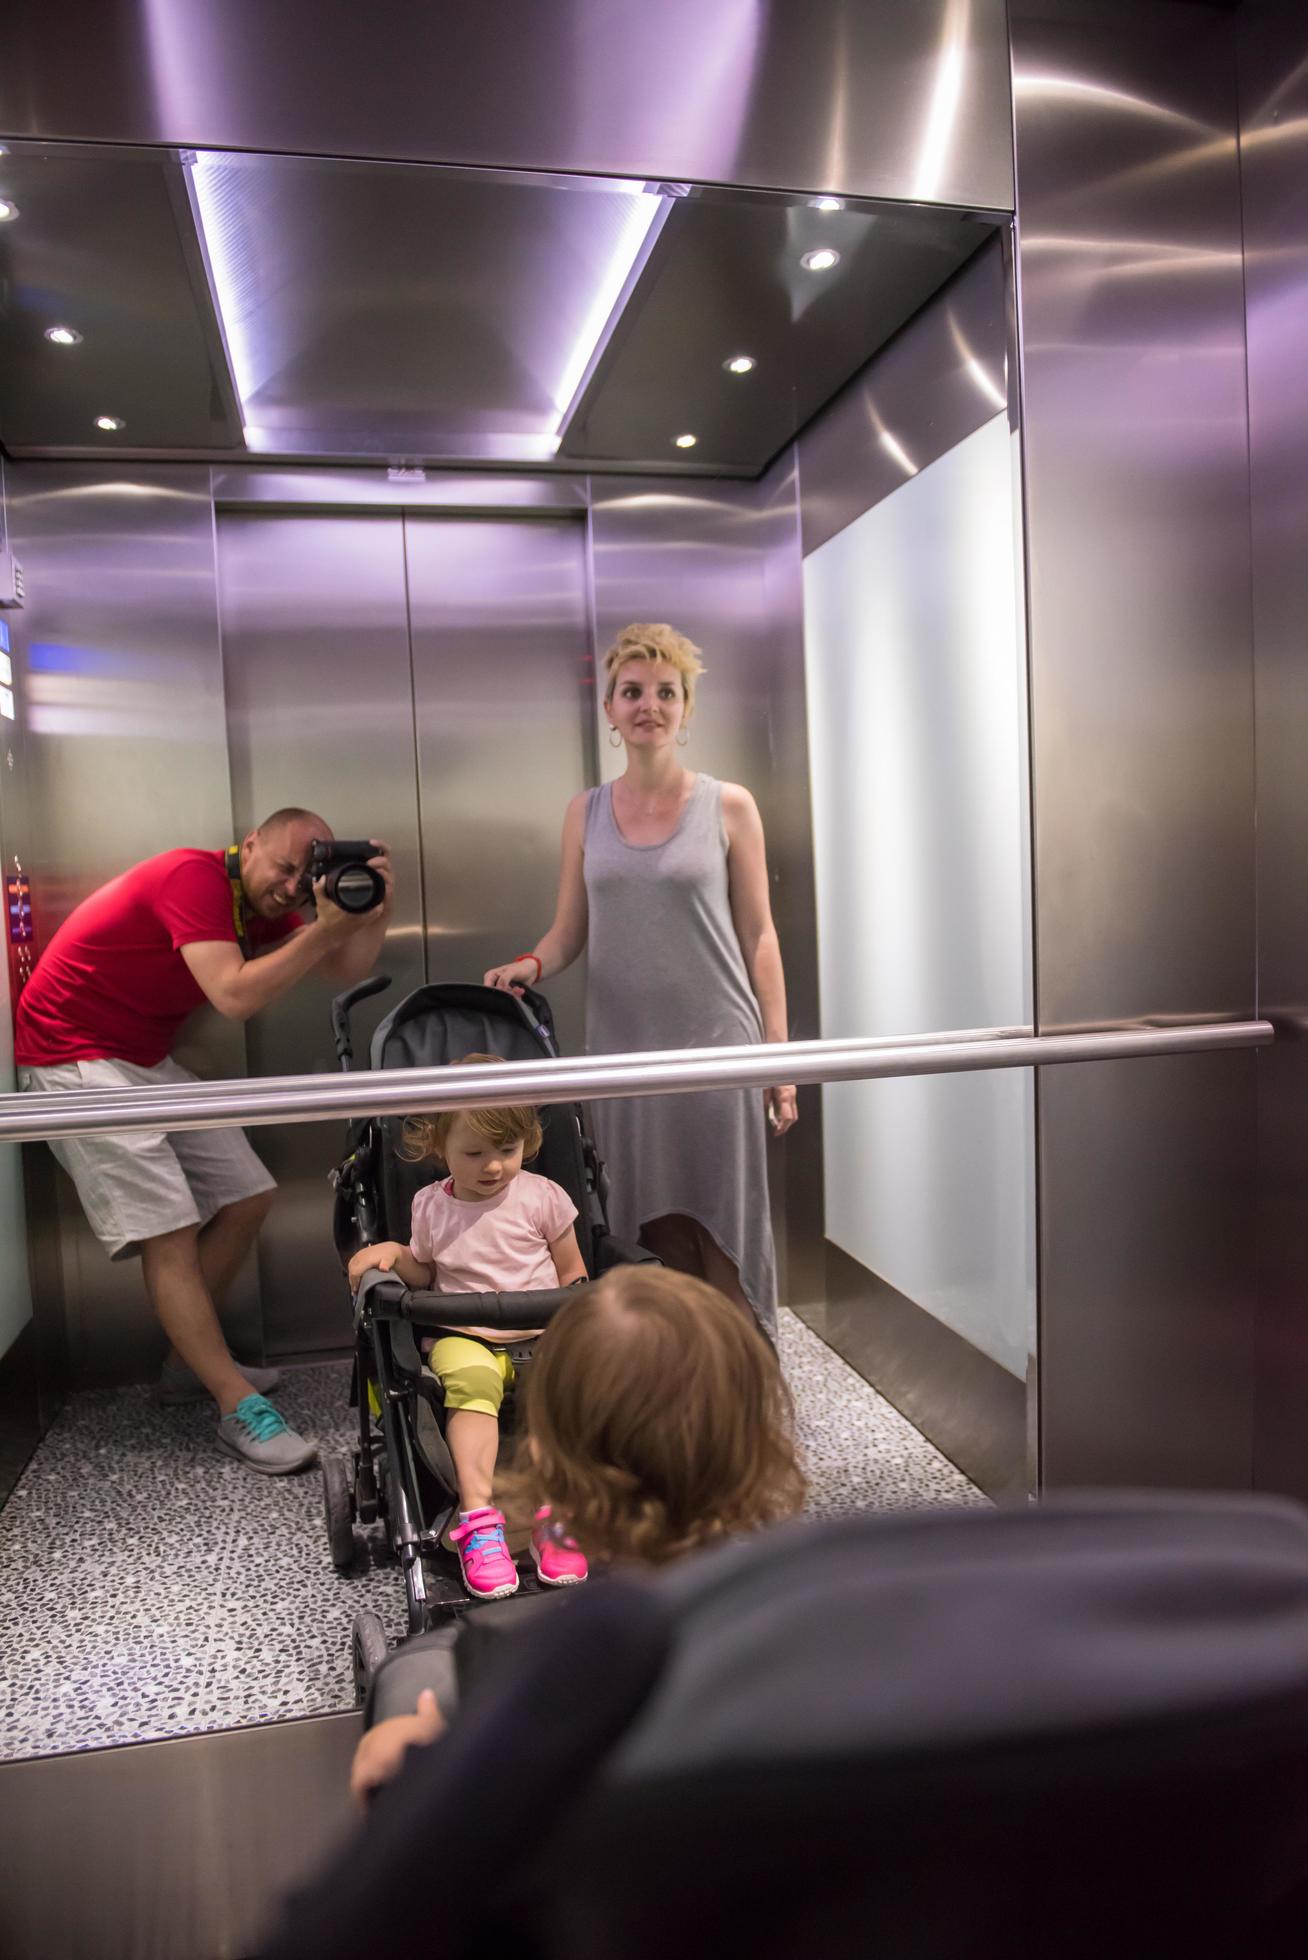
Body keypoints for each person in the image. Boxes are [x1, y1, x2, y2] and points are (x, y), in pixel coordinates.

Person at [15, 808, 393, 1473]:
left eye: (310, 874)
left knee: (247, 1193)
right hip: (73, 1057)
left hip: (135, 1057)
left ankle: (187, 1365)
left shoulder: (260, 910)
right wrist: (323, 928)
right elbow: (234, 996)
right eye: (283, 866)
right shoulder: (194, 878)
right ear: (248, 845)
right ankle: (233, 1402)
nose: (293, 885)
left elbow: (345, 968)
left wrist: (372, 910)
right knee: (170, 1232)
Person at [348, 1262, 806, 1804]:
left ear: (542, 1458)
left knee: (398, 1714)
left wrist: (393, 1766)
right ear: (757, 1444)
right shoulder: (793, 1616)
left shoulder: (528, 1671)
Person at [485, 621, 796, 1339]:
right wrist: (530, 965)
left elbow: (760, 935)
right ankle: (667, 1390)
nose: (648, 704)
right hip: (623, 1051)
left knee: (722, 1224)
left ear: (686, 709)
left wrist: (780, 1060)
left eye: (665, 691)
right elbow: (569, 932)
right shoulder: (584, 812)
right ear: (610, 709)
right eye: (632, 691)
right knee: (644, 1224)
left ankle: (745, 1391)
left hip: (720, 1045)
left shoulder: (729, 804)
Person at [346, 1055, 590, 1601]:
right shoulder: (431, 1206)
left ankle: (557, 1515)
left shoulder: (543, 1196)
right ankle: (479, 1519)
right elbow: (426, 1271)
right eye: (474, 1153)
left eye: (507, 1151)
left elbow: (573, 1270)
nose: (493, 1167)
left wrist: (577, 1312)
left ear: (527, 1141)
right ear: (440, 1147)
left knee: (560, 1395)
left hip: (540, 1330)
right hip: (464, 1334)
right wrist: (394, 1254)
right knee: (469, 1384)